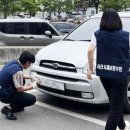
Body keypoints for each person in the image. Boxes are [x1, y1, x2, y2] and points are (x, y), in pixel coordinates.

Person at [87, 9, 130, 130]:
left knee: (115, 101)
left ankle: (121, 125)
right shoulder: (126, 35)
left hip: (104, 74)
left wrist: (90, 69)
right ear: (118, 20)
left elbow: (90, 50)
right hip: (120, 76)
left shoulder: (97, 33)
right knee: (115, 108)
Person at [0, 51, 39, 120]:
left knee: (22, 81)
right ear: (27, 62)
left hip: (2, 90)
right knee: (32, 99)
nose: (30, 65)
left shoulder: (13, 63)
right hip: (5, 95)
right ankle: (8, 108)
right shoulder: (18, 70)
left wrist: (31, 77)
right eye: (30, 63)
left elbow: (18, 75)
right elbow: (19, 89)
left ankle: (17, 104)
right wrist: (33, 86)